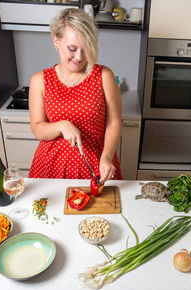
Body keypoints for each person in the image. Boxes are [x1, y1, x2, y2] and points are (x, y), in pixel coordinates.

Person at [28, 8, 123, 183]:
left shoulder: (103, 76)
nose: (79, 57)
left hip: (96, 165)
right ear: (56, 41)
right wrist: (60, 126)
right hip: (51, 168)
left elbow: (114, 121)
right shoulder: (40, 80)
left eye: (86, 49)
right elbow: (37, 128)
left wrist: (107, 157)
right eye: (72, 48)